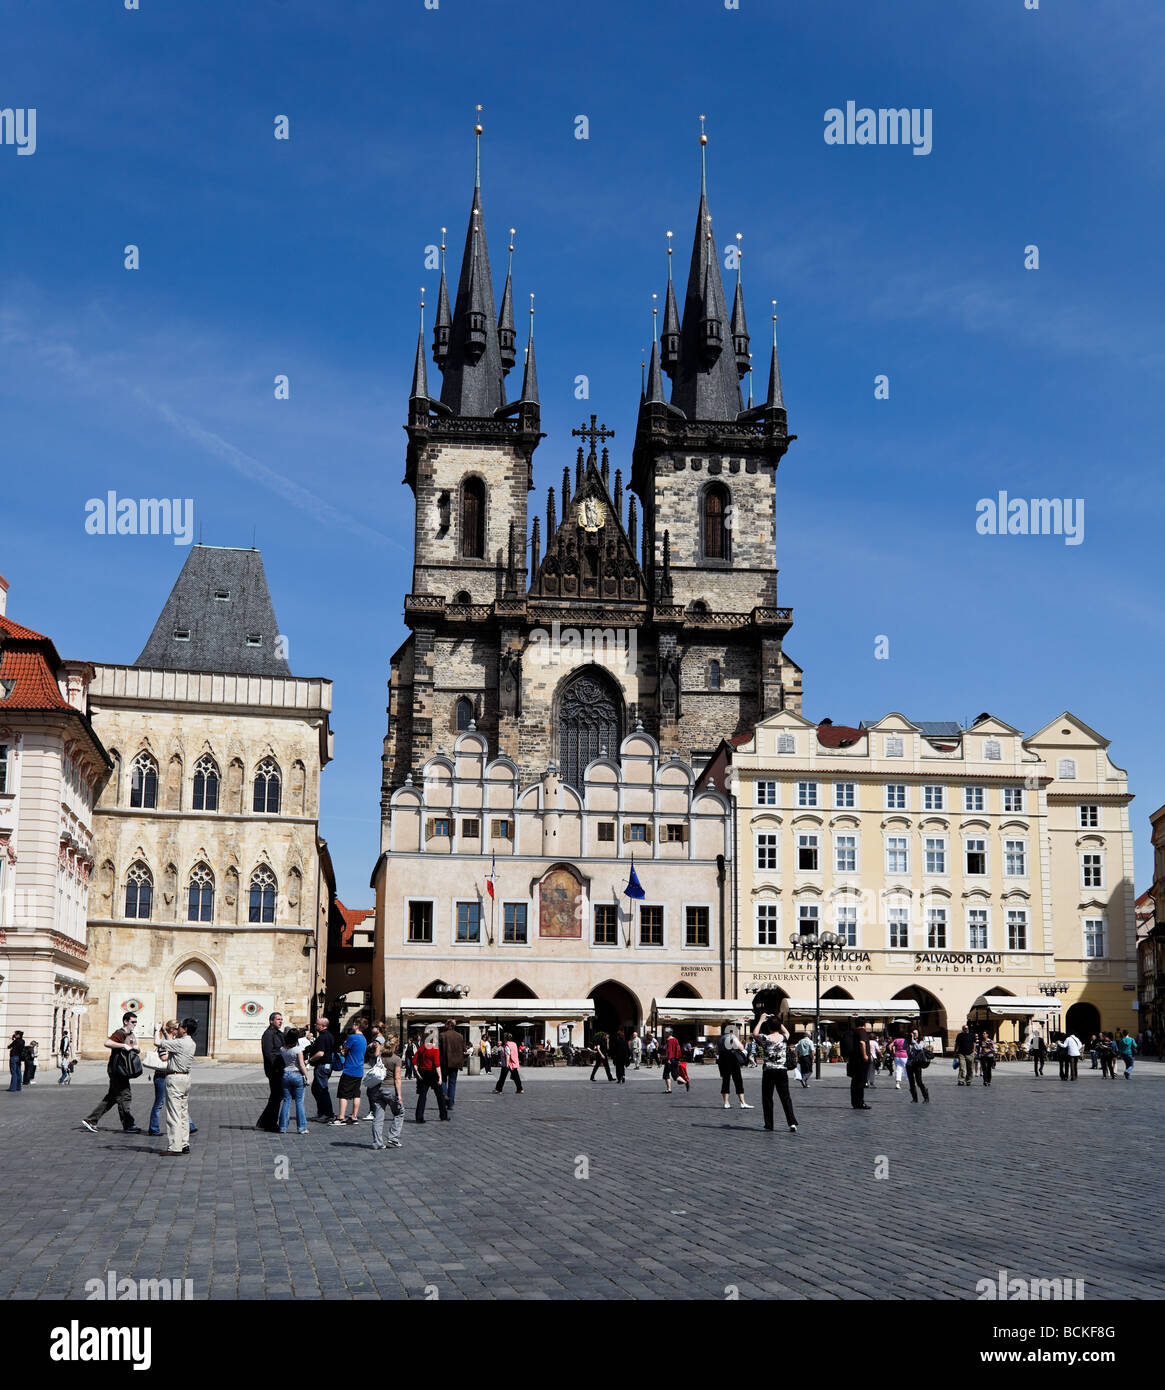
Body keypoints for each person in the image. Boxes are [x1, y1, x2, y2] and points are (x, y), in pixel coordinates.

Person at [81, 1011, 143, 1133]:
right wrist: (122, 1045)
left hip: (124, 1071)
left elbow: (135, 1048)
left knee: (112, 1097)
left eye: (136, 1022)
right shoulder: (119, 1033)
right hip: (117, 1071)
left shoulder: (131, 1034)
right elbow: (107, 1043)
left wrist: (137, 1048)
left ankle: (91, 1120)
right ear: (126, 1021)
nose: (134, 1024)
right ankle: (129, 1125)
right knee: (125, 1096)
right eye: (132, 1022)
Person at [148, 1020, 197, 1137]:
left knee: (174, 1110)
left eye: (179, 1027)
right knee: (171, 1105)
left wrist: (157, 1030)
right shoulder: (190, 1043)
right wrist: (163, 1031)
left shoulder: (178, 1042)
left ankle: (176, 1144)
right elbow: (166, 1050)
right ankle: (155, 1128)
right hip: (171, 1076)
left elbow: (159, 1042)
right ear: (172, 1030)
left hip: (174, 1076)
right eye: (176, 1027)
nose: (178, 1029)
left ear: (184, 1029)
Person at [751, 1013, 798, 1132]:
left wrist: (761, 1020)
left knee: (767, 1098)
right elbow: (786, 1031)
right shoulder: (784, 1037)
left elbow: (754, 1033)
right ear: (778, 1026)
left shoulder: (766, 1038)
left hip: (769, 1070)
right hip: (782, 1070)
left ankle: (769, 1124)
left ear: (768, 1027)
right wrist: (777, 1021)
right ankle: (792, 1123)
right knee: (786, 1097)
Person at [369, 1036, 405, 1150]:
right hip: (390, 1090)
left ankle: (377, 1142)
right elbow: (397, 1079)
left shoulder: (380, 1057)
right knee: (400, 1112)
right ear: (396, 1046)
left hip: (378, 1089)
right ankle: (393, 1137)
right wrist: (399, 1095)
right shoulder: (396, 1059)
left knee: (378, 1117)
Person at [276, 1026, 309, 1134]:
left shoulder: (282, 1049)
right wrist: (307, 1077)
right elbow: (302, 1065)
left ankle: (282, 1127)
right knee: (299, 1102)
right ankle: (301, 1127)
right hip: (296, 1074)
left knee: (286, 1101)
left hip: (286, 1074)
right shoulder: (298, 1050)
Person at [256, 1011, 285, 1131]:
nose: (280, 1021)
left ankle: (265, 1121)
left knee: (277, 1096)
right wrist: (277, 1066)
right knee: (276, 1096)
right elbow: (269, 1054)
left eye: (281, 1019)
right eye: (278, 1019)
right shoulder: (268, 1034)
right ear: (271, 1021)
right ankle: (270, 1123)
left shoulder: (279, 1034)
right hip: (274, 1070)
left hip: (280, 1068)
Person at [333, 1022, 367, 1125]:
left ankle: (341, 1117)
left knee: (343, 1093)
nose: (352, 1025)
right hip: (359, 1069)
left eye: (354, 1024)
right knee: (356, 1093)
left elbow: (344, 1051)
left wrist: (342, 1050)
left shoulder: (353, 1037)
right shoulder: (364, 1039)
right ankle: (354, 1116)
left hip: (350, 1069)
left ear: (357, 1026)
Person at [307, 1016, 336, 1122]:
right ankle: (321, 1112)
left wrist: (310, 1060)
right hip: (326, 1066)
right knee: (316, 1089)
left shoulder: (323, 1037)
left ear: (323, 1026)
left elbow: (320, 1053)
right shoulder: (329, 1036)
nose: (315, 1025)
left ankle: (328, 1114)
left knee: (322, 1090)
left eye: (317, 1024)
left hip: (322, 1066)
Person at [716, 1027, 751, 1109]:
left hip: (722, 1060)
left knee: (725, 1081)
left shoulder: (720, 1038)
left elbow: (718, 1050)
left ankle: (726, 1103)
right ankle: (743, 1102)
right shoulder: (732, 1036)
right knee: (738, 1080)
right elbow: (741, 1047)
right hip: (732, 1060)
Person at [438, 1019, 466, 1109]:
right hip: (455, 1063)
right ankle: (450, 1103)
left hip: (444, 1062)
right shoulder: (460, 1036)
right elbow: (464, 1049)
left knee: (443, 1081)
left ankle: (444, 1096)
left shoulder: (442, 1035)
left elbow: (439, 1050)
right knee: (452, 1083)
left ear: (447, 1026)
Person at [846, 1017, 871, 1110]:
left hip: (854, 1060)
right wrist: (865, 1055)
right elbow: (862, 1043)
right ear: (864, 1024)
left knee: (855, 1082)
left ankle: (855, 1102)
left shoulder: (854, 1032)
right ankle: (860, 1102)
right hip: (861, 1061)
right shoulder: (862, 1031)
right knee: (861, 1082)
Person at [905, 1029, 930, 1103]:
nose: (914, 1034)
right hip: (909, 1063)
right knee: (911, 1082)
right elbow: (904, 1048)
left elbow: (918, 1047)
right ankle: (914, 1099)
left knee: (919, 1082)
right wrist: (907, 1041)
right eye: (912, 1033)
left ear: (918, 1034)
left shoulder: (921, 1041)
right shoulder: (909, 1040)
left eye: (915, 1033)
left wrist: (913, 1041)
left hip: (917, 1064)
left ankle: (926, 1097)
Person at [953, 1022, 975, 1087]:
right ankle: (961, 1080)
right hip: (961, 1053)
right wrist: (955, 1051)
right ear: (962, 1029)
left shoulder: (971, 1035)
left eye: (966, 1028)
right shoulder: (959, 1035)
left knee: (970, 1068)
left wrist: (974, 1051)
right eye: (964, 1028)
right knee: (962, 1067)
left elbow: (974, 1043)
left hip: (970, 1053)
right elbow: (957, 1044)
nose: (965, 1029)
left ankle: (968, 1080)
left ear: (968, 1029)